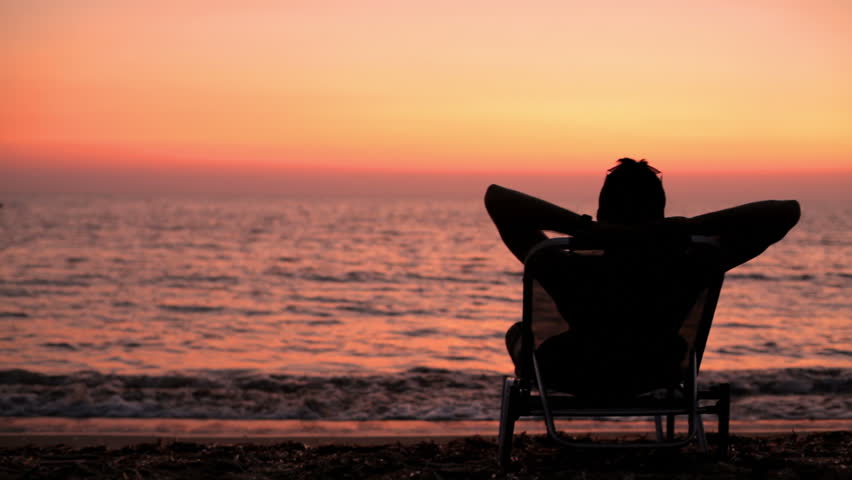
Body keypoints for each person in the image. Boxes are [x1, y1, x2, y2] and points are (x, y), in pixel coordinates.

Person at [485, 158, 800, 393]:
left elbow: (497, 198)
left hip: (571, 374)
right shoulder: (689, 266)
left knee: (518, 333)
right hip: (656, 373)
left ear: (601, 213)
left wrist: (585, 229)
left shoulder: (567, 268)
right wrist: (689, 227)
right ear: (661, 215)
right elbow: (785, 211)